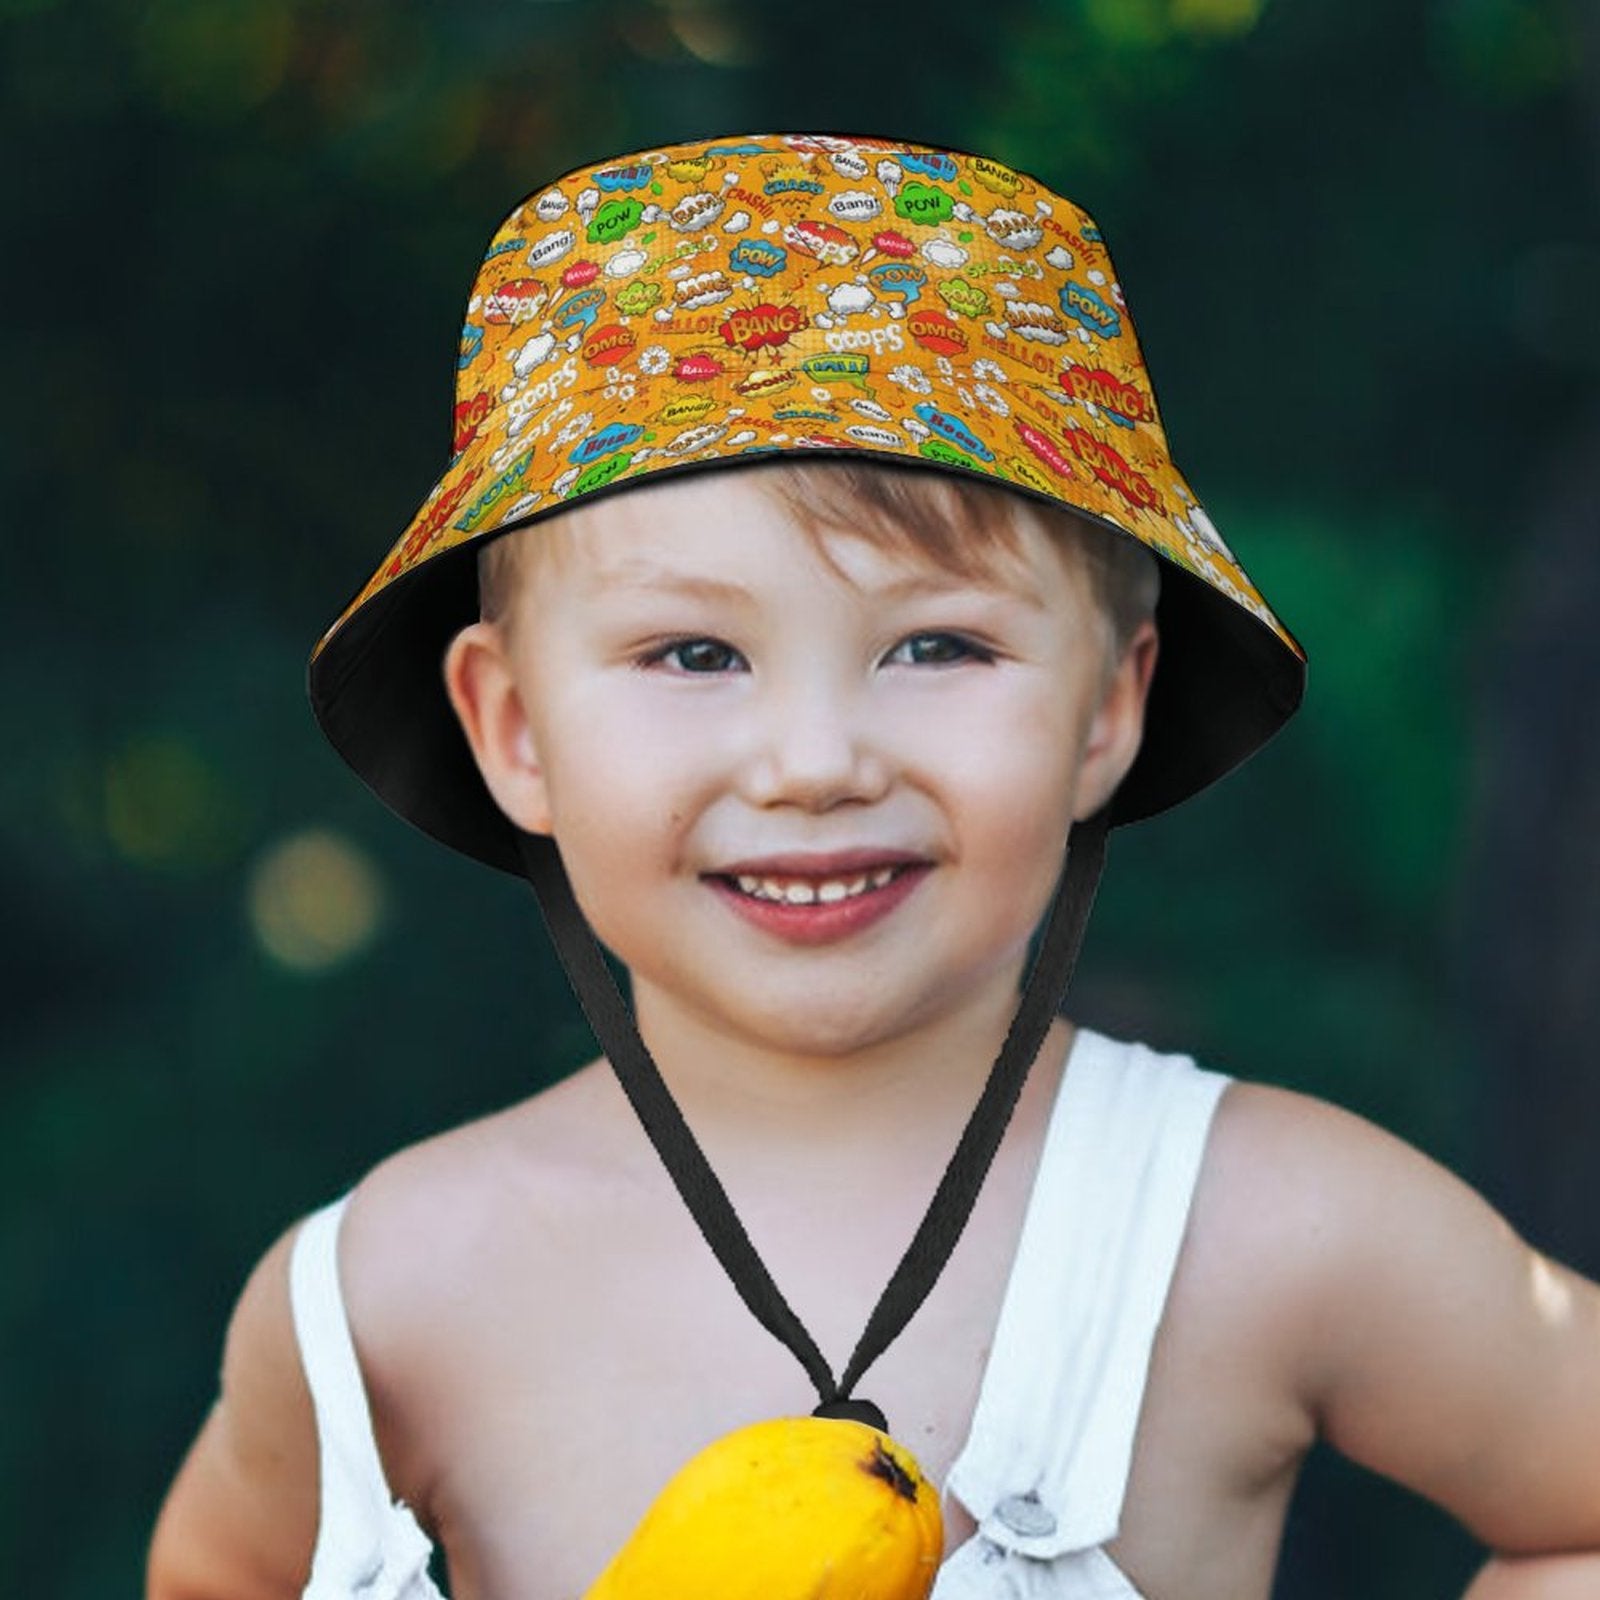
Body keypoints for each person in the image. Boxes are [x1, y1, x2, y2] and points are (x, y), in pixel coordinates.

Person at [146, 133, 1600, 1600]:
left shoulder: (1267, 1225)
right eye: (695, 653)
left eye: (937, 646)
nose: (815, 760)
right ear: (513, 728)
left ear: (1107, 709)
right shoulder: (389, 1296)